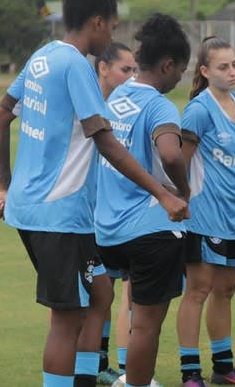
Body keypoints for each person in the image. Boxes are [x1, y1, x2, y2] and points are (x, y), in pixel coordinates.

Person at [0, 0, 188, 386]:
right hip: (60, 215)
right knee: (67, 319)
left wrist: (4, 185)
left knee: (99, 293)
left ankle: (85, 380)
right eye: (113, 24)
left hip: (30, 207)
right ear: (98, 21)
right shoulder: (76, 66)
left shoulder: (42, 57)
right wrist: (163, 194)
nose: (113, 32)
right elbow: (106, 141)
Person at [95, 13, 192, 387]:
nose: (179, 78)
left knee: (108, 310)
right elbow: (170, 154)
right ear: (167, 65)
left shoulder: (117, 95)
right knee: (146, 324)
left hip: (108, 231)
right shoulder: (160, 106)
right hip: (151, 230)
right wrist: (182, 191)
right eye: (180, 70)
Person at [176, 36, 235, 386]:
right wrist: (180, 204)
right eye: (223, 66)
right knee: (197, 291)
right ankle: (189, 371)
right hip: (204, 218)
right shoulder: (199, 109)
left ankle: (224, 368)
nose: (232, 72)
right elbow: (178, 165)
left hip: (234, 219)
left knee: (225, 292)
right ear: (205, 71)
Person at [92, 41, 138, 385]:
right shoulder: (89, 102)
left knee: (108, 290)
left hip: (114, 212)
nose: (131, 76)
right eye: (125, 69)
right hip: (84, 214)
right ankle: (93, 363)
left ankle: (112, 365)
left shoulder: (121, 107)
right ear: (103, 68)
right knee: (89, 293)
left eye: (135, 69)